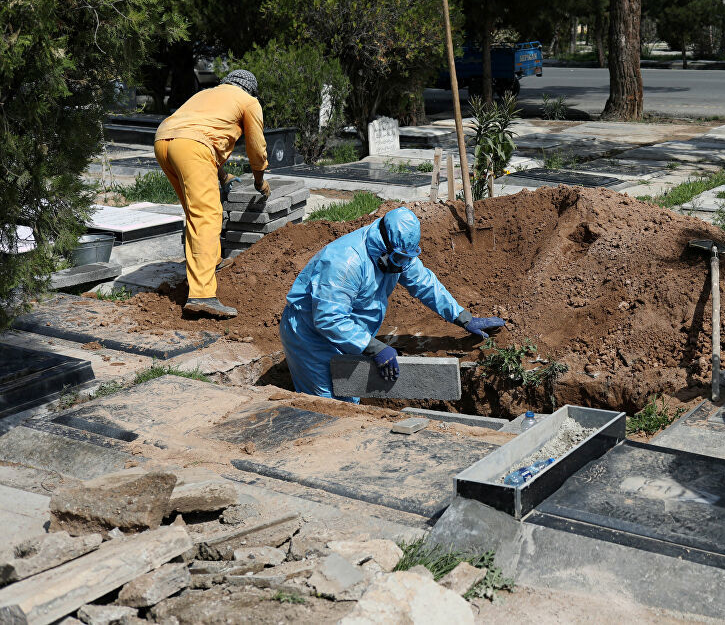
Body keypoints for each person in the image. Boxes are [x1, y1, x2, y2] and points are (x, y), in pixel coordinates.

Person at [280, 207, 505, 402]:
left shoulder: (398, 252)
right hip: (309, 334)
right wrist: (374, 347)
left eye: (407, 259)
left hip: (348, 333)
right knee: (328, 404)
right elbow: (329, 319)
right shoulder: (345, 263)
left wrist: (463, 317)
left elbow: (424, 283)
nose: (402, 266)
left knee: (349, 395)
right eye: (398, 259)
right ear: (384, 245)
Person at [154, 69, 270, 319]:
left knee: (195, 212)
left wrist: (223, 176)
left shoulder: (207, 94)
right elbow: (257, 148)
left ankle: (211, 261)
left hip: (163, 141)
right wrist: (260, 180)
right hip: (192, 147)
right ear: (251, 89)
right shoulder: (249, 101)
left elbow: (200, 133)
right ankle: (203, 295)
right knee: (206, 216)